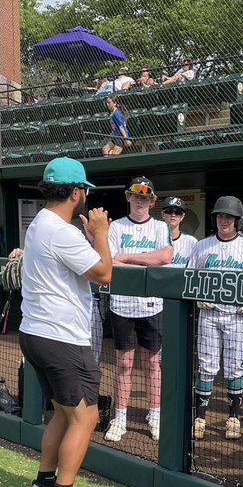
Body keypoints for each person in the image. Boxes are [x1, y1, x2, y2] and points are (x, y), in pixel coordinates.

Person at [18, 157, 113, 487]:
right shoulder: (63, 231)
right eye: (84, 190)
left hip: (35, 334)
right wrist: (101, 235)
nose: (85, 196)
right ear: (76, 193)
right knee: (85, 418)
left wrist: (89, 239)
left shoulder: (40, 223)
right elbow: (104, 273)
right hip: (61, 339)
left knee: (61, 411)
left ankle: (44, 482)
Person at [103, 176, 174, 443]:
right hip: (122, 305)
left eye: (145, 197)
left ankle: (154, 414)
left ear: (152, 201)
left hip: (152, 305)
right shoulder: (116, 227)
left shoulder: (159, 227)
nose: (140, 201)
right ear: (128, 197)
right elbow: (109, 262)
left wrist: (127, 257)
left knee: (153, 363)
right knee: (123, 363)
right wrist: (145, 263)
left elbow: (165, 257)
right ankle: (119, 417)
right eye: (136, 196)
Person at [188, 196, 243, 441]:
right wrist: (198, 297)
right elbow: (190, 277)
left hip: (236, 317)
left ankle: (233, 416)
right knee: (207, 366)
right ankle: (200, 416)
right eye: (220, 215)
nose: (224, 220)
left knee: (234, 367)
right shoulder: (202, 246)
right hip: (208, 314)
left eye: (229, 217)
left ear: (238, 220)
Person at [162, 196, 198, 267]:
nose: (173, 215)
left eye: (178, 212)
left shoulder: (192, 242)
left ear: (182, 217)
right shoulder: (153, 239)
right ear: (163, 214)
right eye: (169, 211)